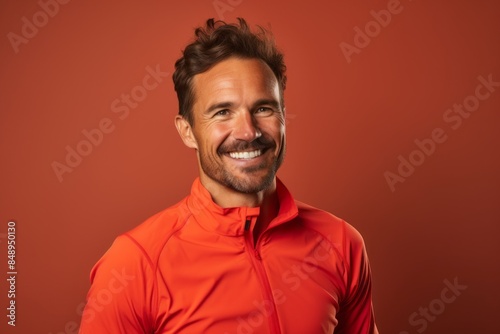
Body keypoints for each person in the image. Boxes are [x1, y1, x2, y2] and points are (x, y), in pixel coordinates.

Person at [79, 18, 379, 334]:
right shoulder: (135, 264)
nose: (248, 132)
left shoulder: (340, 243)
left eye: (263, 108)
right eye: (222, 112)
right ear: (187, 131)